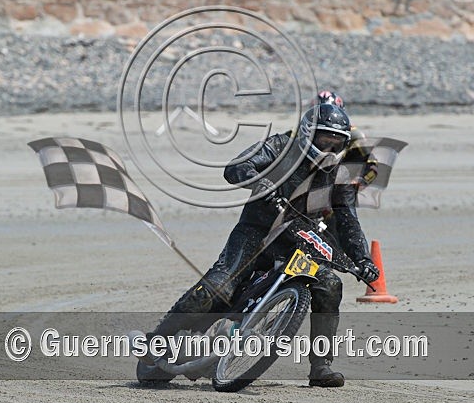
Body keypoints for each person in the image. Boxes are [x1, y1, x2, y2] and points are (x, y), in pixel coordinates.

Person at [136, 104, 380, 388]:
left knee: (330, 284)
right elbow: (236, 167)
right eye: (324, 140)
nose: (329, 148)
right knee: (218, 286)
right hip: (256, 233)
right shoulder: (280, 147)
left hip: (300, 242)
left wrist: (364, 260)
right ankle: (157, 342)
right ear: (307, 134)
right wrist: (262, 182)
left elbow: (348, 220)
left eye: (336, 143)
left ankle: (321, 367)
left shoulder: (341, 175)